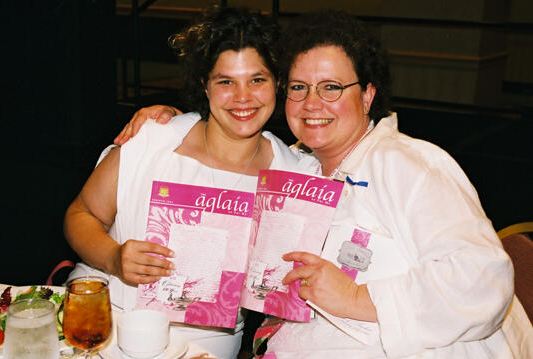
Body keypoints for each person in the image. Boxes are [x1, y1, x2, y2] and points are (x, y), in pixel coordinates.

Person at [117, 10, 533, 358]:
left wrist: (355, 299)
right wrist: (170, 118)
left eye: (331, 87)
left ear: (368, 95)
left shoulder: (406, 164)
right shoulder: (300, 173)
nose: (312, 103)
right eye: (299, 88)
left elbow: (483, 278)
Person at [63, 7, 314, 358]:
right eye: (225, 81)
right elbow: (82, 213)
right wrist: (114, 258)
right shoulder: (153, 142)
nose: (243, 97)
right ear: (204, 85)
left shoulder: (296, 178)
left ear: (278, 82)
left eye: (257, 80)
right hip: (106, 320)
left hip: (205, 342)